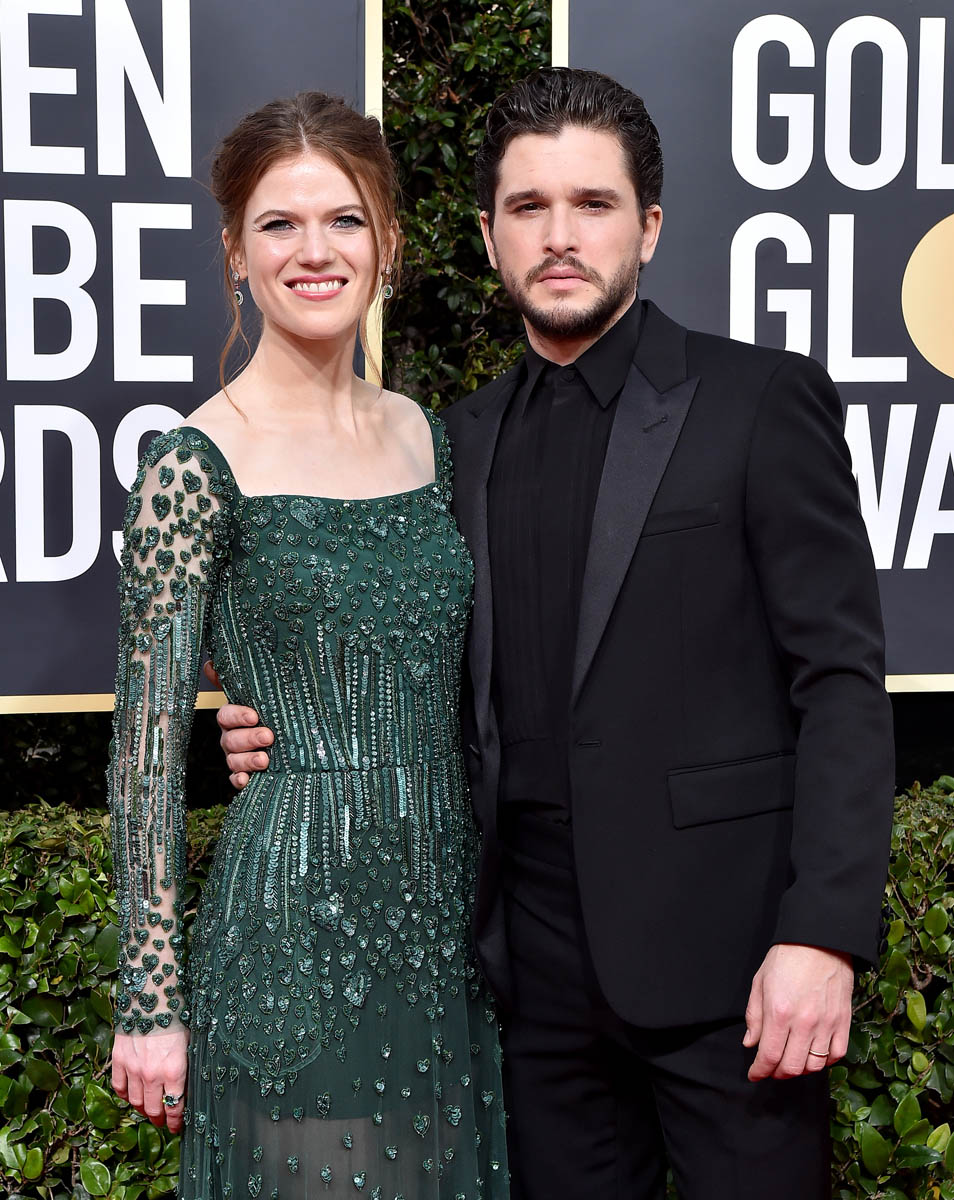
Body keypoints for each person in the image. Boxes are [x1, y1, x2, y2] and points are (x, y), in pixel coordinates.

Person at [216, 69, 895, 1198]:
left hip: (733, 973)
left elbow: (840, 680)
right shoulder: (455, 444)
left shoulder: (759, 401)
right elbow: (397, 649)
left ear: (651, 225)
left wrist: (822, 936)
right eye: (529, 208)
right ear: (489, 238)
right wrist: (269, 721)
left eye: (594, 204)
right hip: (527, 987)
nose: (561, 236)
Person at [107, 91, 508, 1200]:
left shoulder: (433, 434)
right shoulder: (192, 464)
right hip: (292, 912)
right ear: (234, 248)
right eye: (280, 224)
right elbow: (142, 760)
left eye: (345, 219)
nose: (314, 251)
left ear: (388, 242)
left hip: (444, 914)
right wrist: (149, 1002)